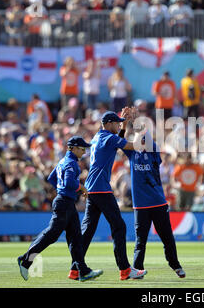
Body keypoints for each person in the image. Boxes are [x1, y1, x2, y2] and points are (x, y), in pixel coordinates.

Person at [67, 110, 147, 281]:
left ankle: (75, 269)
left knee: (87, 230)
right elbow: (130, 145)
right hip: (101, 189)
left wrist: (124, 126)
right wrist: (145, 134)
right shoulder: (109, 138)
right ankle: (125, 270)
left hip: (92, 187)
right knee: (119, 227)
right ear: (109, 123)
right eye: (117, 123)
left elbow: (119, 141)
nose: (118, 125)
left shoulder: (99, 137)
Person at [17, 136, 103, 282]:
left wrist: (61, 188)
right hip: (64, 203)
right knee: (52, 234)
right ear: (73, 148)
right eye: (82, 149)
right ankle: (25, 260)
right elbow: (69, 181)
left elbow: (52, 178)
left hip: (66, 202)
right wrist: (80, 187)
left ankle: (83, 271)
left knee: (75, 238)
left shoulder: (64, 161)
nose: (84, 152)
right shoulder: (71, 163)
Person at [119, 115, 186, 279]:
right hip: (141, 206)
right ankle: (137, 269)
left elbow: (146, 136)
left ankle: (175, 265)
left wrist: (137, 125)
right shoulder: (132, 154)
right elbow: (118, 141)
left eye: (143, 139)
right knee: (140, 241)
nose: (141, 141)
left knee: (167, 237)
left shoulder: (154, 152)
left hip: (158, 203)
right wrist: (126, 124)